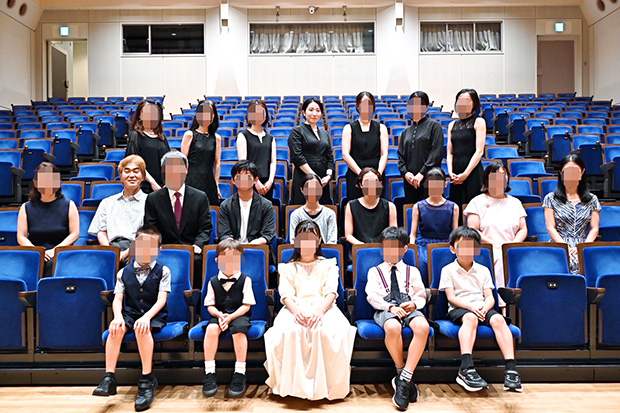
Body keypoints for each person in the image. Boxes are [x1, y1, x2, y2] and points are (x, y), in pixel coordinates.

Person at [264, 220, 356, 400]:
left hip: (324, 306)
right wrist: (297, 312)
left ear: (319, 240)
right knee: (289, 332)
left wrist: (319, 312)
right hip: (294, 307)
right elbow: (286, 294)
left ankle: (325, 387)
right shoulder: (287, 267)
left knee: (327, 332)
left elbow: (331, 292)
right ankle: (292, 387)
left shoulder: (329, 264)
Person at [92, 225, 170, 411]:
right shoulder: (123, 272)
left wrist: (147, 317)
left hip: (153, 313)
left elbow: (161, 300)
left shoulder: (164, 271)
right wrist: (117, 317)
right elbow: (118, 299)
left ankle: (147, 379)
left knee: (142, 329)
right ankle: (109, 377)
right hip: (131, 312)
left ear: (158, 250)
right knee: (116, 329)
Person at [438, 226, 522, 393]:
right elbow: (451, 298)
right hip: (460, 307)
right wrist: (471, 307)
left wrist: (485, 307)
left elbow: (490, 297)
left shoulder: (483, 270)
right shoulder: (447, 270)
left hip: (481, 306)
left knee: (498, 319)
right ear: (453, 249)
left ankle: (511, 369)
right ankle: (466, 367)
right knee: (470, 318)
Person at [365, 227, 430, 411]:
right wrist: (391, 307)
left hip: (408, 306)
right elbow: (372, 296)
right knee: (393, 327)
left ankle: (404, 379)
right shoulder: (375, 271)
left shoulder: (412, 271)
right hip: (386, 308)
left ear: (404, 249)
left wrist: (414, 304)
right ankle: (403, 374)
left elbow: (421, 294)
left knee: (423, 326)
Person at [143, 151, 212, 287]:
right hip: (163, 249)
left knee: (198, 261)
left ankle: (194, 298)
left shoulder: (200, 197)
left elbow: (205, 228)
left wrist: (198, 245)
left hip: (191, 249)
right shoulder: (153, 198)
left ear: (186, 170)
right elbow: (150, 229)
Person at [465, 161, 527, 300]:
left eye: (503, 175)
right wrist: (495, 244)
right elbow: (473, 229)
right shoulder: (477, 202)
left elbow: (523, 228)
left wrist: (512, 244)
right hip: (486, 247)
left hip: (512, 247)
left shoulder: (515, 202)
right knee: (500, 256)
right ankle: (502, 302)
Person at [201, 238, 255, 399]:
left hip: (239, 314)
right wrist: (219, 315)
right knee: (211, 329)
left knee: (239, 331)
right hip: (219, 314)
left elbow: (246, 305)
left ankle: (240, 372)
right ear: (217, 260)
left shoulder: (246, 280)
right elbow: (210, 306)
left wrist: (230, 317)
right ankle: (209, 372)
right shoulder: (212, 282)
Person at [17, 162, 79, 276]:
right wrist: (38, 252)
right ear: (36, 183)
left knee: (53, 264)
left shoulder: (69, 205)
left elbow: (74, 234)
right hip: (35, 253)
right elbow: (21, 237)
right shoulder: (26, 207)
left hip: (61, 253)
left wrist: (55, 250)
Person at [543, 153, 601, 273]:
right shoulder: (550, 198)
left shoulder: (592, 199)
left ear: (582, 172)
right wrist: (566, 248)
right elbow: (550, 228)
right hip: (559, 244)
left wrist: (582, 248)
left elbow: (594, 229)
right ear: (561, 173)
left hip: (583, 244)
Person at [89, 155, 148, 265]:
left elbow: (148, 235)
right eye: (127, 171)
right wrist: (110, 252)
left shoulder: (150, 202)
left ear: (143, 177)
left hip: (138, 251)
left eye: (136, 171)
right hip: (110, 248)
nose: (131, 175)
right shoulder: (107, 202)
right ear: (121, 176)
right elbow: (101, 231)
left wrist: (126, 253)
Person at [218, 160, 276, 263]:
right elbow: (225, 234)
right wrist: (237, 249)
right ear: (233, 180)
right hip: (232, 250)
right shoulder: (225, 206)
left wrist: (249, 246)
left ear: (255, 180)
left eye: (247, 177)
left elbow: (267, 235)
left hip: (257, 250)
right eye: (239, 177)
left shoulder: (266, 205)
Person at [410, 167, 459, 281]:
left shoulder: (453, 207)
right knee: (422, 264)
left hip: (446, 243)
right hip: (423, 244)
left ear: (445, 184)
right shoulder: (418, 206)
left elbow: (455, 233)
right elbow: (412, 234)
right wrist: (413, 249)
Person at [398, 91, 445, 205]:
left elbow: (436, 153)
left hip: (430, 179)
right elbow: (401, 157)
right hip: (410, 182)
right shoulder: (405, 132)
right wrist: (406, 174)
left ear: (426, 107)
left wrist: (421, 173)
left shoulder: (435, 126)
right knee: (412, 211)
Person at [342, 91, 389, 200]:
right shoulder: (349, 128)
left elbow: (384, 154)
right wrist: (362, 175)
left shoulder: (381, 128)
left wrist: (377, 175)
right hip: (356, 174)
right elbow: (345, 154)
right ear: (357, 106)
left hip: (377, 173)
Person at [447, 89, 486, 213]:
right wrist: (450, 172)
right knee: (456, 208)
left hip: (472, 170)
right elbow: (450, 152)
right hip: (456, 172)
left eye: (467, 100)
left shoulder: (479, 122)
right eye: (460, 100)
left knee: (474, 208)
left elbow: (479, 151)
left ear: (474, 103)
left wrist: (465, 174)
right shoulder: (452, 125)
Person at [289, 97, 334, 205]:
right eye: (311, 110)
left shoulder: (324, 133)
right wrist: (314, 177)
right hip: (304, 177)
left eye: (318, 110)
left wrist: (328, 176)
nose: (314, 113)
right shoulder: (297, 131)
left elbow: (330, 157)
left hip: (323, 180)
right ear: (304, 112)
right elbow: (297, 157)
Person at [181, 100, 222, 205]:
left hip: (209, 182)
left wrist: (216, 185)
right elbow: (182, 162)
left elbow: (217, 164)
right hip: (192, 181)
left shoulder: (217, 138)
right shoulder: (189, 135)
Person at [125, 100, 170, 194]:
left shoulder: (162, 137)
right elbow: (135, 163)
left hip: (162, 186)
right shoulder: (135, 136)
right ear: (140, 116)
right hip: (144, 187)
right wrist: (153, 183)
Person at [345, 167, 397, 246]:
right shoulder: (351, 205)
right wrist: (364, 247)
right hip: (360, 248)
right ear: (361, 185)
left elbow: (393, 235)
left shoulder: (390, 206)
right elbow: (348, 235)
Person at [237, 99, 276, 201]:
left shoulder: (270, 138)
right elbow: (243, 162)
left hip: (267, 184)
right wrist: (256, 182)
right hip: (250, 182)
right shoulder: (243, 135)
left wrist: (270, 181)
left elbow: (273, 161)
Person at [289, 174, 337, 244]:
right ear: (302, 190)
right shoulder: (296, 215)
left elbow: (332, 242)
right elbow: (293, 241)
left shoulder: (330, 214)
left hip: (325, 250)